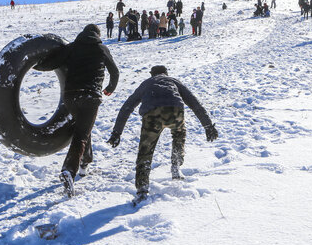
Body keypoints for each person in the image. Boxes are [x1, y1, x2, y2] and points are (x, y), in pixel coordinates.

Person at [107, 65, 218, 203]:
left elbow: (127, 106)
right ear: (166, 73)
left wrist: (117, 132)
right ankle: (176, 166)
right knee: (179, 133)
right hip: (175, 111)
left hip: (152, 115)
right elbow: (194, 103)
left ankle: (142, 189)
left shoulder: (146, 84)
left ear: (151, 74)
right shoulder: (173, 81)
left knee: (145, 151)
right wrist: (208, 125)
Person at [38, 24, 119, 196]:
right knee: (81, 134)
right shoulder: (101, 49)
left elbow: (53, 63)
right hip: (91, 97)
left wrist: (32, 63)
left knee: (83, 129)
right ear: (98, 34)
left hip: (71, 96)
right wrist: (110, 88)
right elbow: (115, 72)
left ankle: (85, 162)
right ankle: (69, 170)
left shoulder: (72, 47)